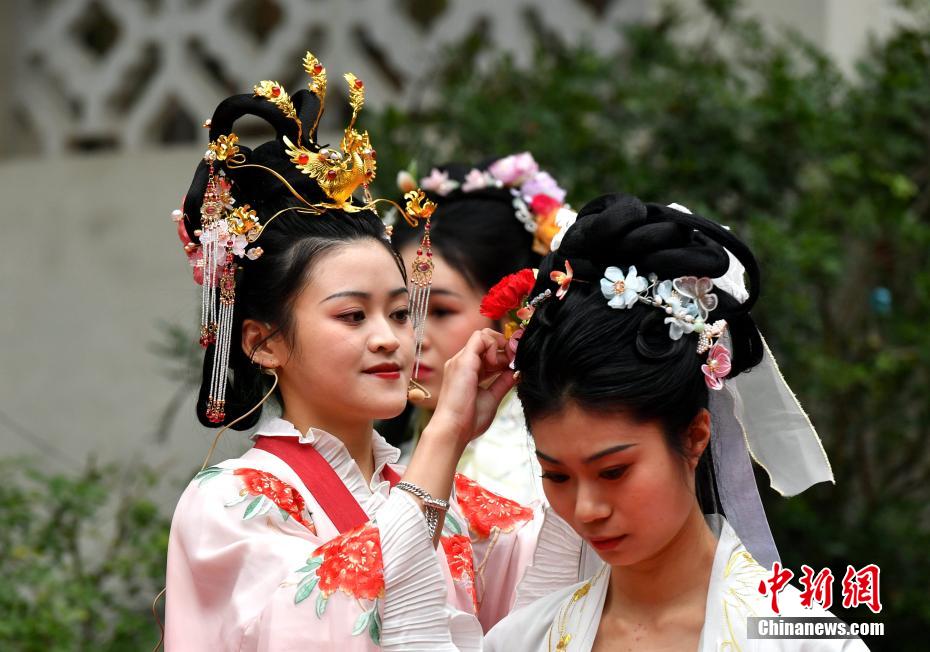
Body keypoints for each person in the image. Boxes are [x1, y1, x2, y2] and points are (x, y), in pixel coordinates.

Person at [163, 53, 577, 650]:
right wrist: (445, 437)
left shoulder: (459, 507)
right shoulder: (228, 505)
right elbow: (316, 623)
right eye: (352, 315)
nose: (390, 337)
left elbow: (558, 605)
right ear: (265, 341)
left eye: (401, 311)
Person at [478, 193, 867, 650]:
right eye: (557, 474)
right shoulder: (521, 640)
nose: (586, 510)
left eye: (614, 471)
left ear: (694, 436)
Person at [388, 155, 573, 503]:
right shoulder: (386, 447)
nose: (412, 338)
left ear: (512, 311)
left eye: (441, 310)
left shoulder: (543, 465)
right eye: (399, 312)